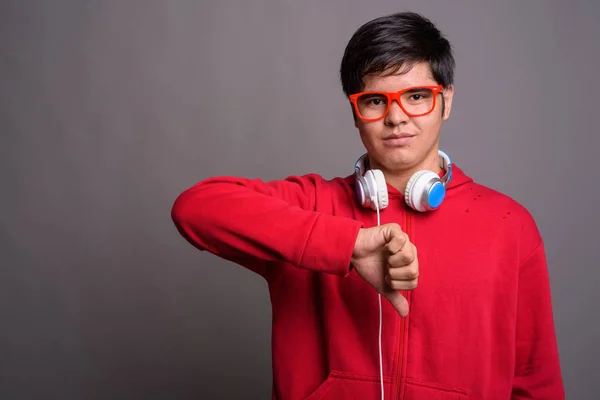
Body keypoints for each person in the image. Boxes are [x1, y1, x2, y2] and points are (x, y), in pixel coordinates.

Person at [171, 11, 564, 400]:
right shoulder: (312, 205)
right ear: (355, 113)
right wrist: (346, 243)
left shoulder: (509, 225)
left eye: (416, 97)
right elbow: (195, 209)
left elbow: (535, 382)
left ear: (445, 102)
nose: (396, 117)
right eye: (375, 100)